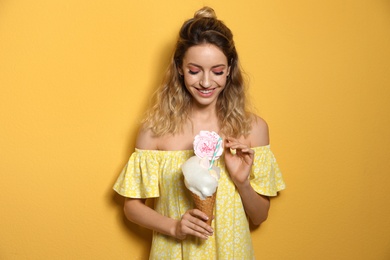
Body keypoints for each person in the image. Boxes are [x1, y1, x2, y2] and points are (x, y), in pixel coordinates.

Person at [113, 6, 285, 259]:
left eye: (217, 71)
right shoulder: (155, 131)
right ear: (180, 68)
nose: (206, 82)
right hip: (174, 252)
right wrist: (174, 226)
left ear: (229, 69)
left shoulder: (253, 129)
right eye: (194, 71)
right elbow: (132, 208)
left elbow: (259, 216)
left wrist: (242, 183)